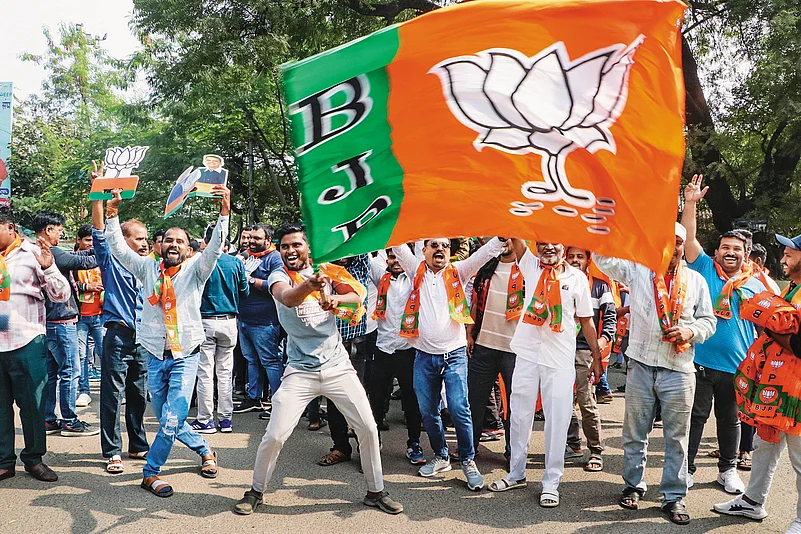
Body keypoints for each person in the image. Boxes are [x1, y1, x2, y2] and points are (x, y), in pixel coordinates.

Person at [235, 223, 402, 516]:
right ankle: (256, 491)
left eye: (296, 245)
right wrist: (310, 286)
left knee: (367, 427)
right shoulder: (279, 275)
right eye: (285, 246)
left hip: (338, 367)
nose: (290, 251)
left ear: (308, 248)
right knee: (274, 435)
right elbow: (287, 297)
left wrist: (337, 297)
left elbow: (357, 296)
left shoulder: (329, 270)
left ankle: (376, 491)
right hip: (299, 372)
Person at [104, 185, 229, 497]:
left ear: (188, 249)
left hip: (186, 354)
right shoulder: (147, 267)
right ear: (160, 245)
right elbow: (117, 248)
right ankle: (205, 450)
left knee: (172, 418)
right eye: (169, 239)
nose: (174, 244)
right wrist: (112, 212)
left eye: (181, 241)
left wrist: (224, 212)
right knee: (167, 420)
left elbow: (214, 248)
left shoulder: (197, 270)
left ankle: (150, 473)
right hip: (154, 356)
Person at [594, 222, 717, 525]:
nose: (671, 247)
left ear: (682, 246)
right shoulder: (638, 270)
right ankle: (633, 485)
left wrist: (689, 330)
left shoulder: (697, 281)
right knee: (635, 432)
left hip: (679, 368)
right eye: (665, 241)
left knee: (677, 436)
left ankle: (673, 497)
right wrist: (602, 225)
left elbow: (709, 321)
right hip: (640, 364)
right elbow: (602, 260)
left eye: (677, 242)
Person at [488, 240, 603, 509]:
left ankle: (551, 483)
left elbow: (586, 320)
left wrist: (597, 358)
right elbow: (515, 231)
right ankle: (516, 473)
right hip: (527, 354)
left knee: (557, 420)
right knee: (519, 415)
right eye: (542, 244)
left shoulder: (577, 278)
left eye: (554, 243)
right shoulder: (528, 265)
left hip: (560, 359)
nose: (548, 248)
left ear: (563, 246)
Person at [392, 237, 505, 491]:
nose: (440, 248)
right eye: (433, 245)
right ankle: (441, 456)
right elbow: (398, 245)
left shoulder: (460, 271)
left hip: (454, 355)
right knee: (428, 412)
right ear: (424, 251)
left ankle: (467, 460)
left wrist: (501, 236)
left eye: (444, 245)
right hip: (423, 356)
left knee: (459, 408)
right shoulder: (414, 269)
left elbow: (486, 253)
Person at [681, 174, 764, 494]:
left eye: (736, 249)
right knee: (696, 418)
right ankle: (686, 470)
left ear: (746, 255)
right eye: (725, 247)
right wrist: (689, 204)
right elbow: (688, 238)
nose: (730, 252)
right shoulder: (702, 267)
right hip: (699, 360)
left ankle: (727, 470)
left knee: (730, 422)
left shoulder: (757, 285)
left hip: (737, 367)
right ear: (715, 252)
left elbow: (768, 329)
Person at [715, 231, 801, 534]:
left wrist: (765, 321)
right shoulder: (793, 287)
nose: (783, 257)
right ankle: (752, 501)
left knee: (799, 457)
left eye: (790, 252)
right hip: (778, 385)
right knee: (765, 446)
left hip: (797, 393)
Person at [0, 205, 69, 483]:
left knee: (32, 405)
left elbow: (61, 295)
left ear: (9, 228)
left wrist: (50, 267)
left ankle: (33, 459)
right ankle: (5, 461)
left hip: (26, 341)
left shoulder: (32, 253)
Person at [89, 171, 152, 474]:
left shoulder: (149, 266)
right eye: (139, 238)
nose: (145, 243)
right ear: (124, 239)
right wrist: (99, 191)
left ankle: (138, 444)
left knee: (138, 393)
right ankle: (112, 450)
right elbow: (100, 229)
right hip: (117, 336)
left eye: (146, 238)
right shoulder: (111, 259)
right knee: (112, 396)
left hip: (143, 339)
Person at [32, 210, 101, 437]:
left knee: (52, 374)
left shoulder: (37, 251)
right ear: (48, 230)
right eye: (59, 230)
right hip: (62, 322)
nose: (61, 234)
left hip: (49, 322)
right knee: (70, 371)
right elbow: (85, 261)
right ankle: (70, 420)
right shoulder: (50, 253)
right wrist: (106, 247)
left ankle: (49, 420)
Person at [366, 249, 424, 464]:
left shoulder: (416, 278)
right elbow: (365, 256)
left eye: (399, 257)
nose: (396, 261)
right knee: (376, 399)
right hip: (382, 348)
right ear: (386, 260)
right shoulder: (381, 275)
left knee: (411, 401)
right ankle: (374, 443)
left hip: (408, 350)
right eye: (391, 257)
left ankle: (414, 443)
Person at [465, 238, 520, 463]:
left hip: (514, 349)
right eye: (500, 236)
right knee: (474, 401)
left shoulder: (528, 270)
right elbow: (475, 303)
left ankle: (513, 451)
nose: (505, 241)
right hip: (483, 346)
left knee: (514, 405)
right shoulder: (485, 269)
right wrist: (469, 333)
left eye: (510, 237)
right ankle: (470, 448)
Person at [191, 229, 249, 434]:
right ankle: (226, 420)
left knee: (205, 373)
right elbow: (245, 291)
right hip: (230, 322)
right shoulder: (236, 263)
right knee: (225, 373)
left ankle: (205, 420)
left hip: (205, 321)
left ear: (206, 241)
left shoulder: (200, 262)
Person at [564, 247, 616, 473]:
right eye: (571, 256)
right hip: (559, 350)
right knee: (561, 402)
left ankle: (595, 450)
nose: (575, 260)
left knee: (586, 401)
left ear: (588, 260)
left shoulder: (599, 286)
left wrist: (602, 343)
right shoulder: (557, 281)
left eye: (580, 256)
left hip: (585, 351)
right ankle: (573, 444)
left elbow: (611, 316)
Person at [317, 253, 370, 467]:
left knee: (359, 399)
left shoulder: (361, 264)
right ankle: (340, 447)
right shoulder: (324, 269)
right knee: (333, 398)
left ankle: (368, 451)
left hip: (356, 342)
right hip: (331, 345)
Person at [234, 222, 284, 416]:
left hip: (265, 322)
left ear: (268, 240)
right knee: (251, 360)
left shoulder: (275, 258)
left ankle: (279, 404)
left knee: (270, 361)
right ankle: (254, 399)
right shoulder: (245, 257)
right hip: (244, 319)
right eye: (249, 238)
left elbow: (278, 286)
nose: (251, 242)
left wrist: (251, 280)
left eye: (256, 238)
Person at [74, 224, 104, 408]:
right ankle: (84, 391)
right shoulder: (71, 260)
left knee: (105, 354)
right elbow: (67, 284)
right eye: (87, 240)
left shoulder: (101, 259)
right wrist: (86, 287)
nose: (90, 244)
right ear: (79, 240)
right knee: (81, 356)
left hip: (101, 315)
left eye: (93, 240)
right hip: (80, 317)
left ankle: (112, 390)